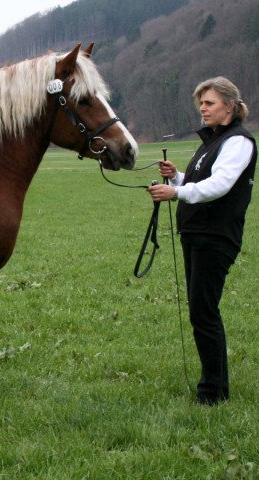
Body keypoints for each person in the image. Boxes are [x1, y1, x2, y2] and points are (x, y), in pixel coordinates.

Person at [148, 76, 257, 405]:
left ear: (230, 106)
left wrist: (176, 191)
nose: (202, 108)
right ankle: (213, 385)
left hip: (216, 237)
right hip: (196, 235)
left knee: (204, 312)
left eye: (209, 102)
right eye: (201, 103)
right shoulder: (212, 141)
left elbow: (220, 185)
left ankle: (214, 393)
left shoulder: (239, 142)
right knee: (201, 311)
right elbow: (202, 181)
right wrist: (177, 176)